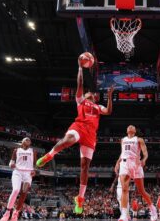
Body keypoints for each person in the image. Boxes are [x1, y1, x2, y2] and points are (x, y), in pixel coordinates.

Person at [36, 62, 115, 214]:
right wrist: (80, 67)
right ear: (84, 95)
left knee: (85, 167)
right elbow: (79, 82)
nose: (90, 93)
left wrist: (110, 97)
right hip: (79, 126)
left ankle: (80, 198)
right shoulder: (81, 100)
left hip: (91, 135)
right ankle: (49, 155)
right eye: (88, 93)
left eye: (92, 94)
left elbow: (109, 111)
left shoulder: (98, 107)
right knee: (67, 141)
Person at [114, 125, 157, 221]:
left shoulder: (139, 139)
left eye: (132, 127)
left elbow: (145, 152)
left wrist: (144, 159)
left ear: (134, 131)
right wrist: (117, 162)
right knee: (124, 189)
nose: (130, 127)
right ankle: (124, 215)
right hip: (124, 164)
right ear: (126, 130)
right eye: (128, 126)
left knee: (141, 191)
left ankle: (152, 208)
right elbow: (122, 152)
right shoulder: (123, 140)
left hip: (136, 164)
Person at [0, 137, 37, 221]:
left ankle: (16, 212)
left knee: (24, 192)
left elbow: (35, 164)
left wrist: (35, 170)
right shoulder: (16, 150)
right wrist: (11, 165)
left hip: (28, 173)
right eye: (26, 139)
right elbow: (11, 162)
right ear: (22, 142)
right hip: (17, 171)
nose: (28, 140)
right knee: (16, 190)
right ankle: (7, 212)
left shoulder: (33, 151)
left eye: (29, 140)